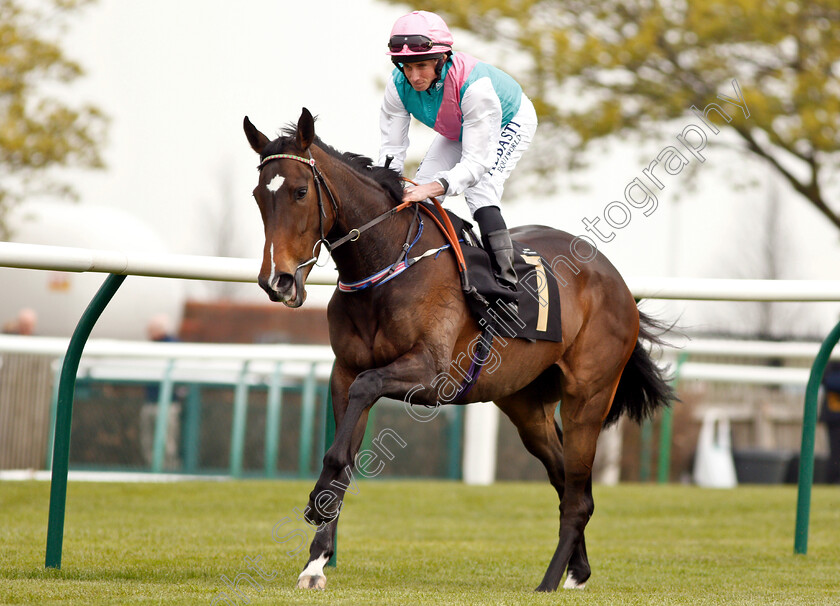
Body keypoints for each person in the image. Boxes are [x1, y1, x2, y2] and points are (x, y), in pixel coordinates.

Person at [379, 10, 538, 296]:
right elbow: (392, 150)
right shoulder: (396, 84)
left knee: (480, 190)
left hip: (508, 119)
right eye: (406, 66)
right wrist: (384, 187)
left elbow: (477, 163)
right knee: (419, 188)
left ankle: (508, 286)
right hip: (460, 127)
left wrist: (434, 186)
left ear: (442, 59)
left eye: (423, 66)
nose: (414, 76)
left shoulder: (476, 89)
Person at [820, 360, 840, 484]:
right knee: (836, 454)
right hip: (835, 418)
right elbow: (829, 381)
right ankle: (833, 481)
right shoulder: (831, 363)